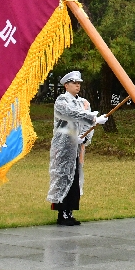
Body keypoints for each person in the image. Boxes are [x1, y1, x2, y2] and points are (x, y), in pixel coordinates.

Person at [47, 71, 108, 226]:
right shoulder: (61, 101)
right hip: (63, 146)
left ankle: (70, 212)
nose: (77, 85)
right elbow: (72, 114)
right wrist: (93, 118)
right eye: (74, 83)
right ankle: (62, 213)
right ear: (66, 85)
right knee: (63, 178)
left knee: (74, 179)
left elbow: (87, 124)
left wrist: (85, 136)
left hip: (77, 147)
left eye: (79, 83)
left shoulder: (84, 103)